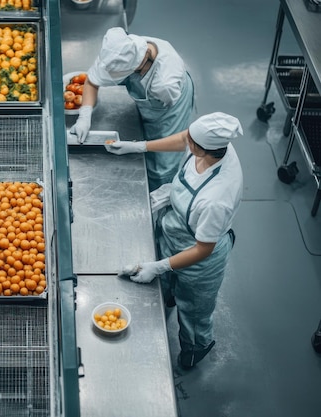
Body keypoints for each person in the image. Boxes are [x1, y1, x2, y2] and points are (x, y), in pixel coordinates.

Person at [109, 112, 243, 369]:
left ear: (203, 150)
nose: (187, 142)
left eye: (192, 142)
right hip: (175, 228)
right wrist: (138, 147)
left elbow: (203, 249)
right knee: (170, 284)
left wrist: (158, 266)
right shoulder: (215, 146)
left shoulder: (217, 198)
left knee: (193, 310)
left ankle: (196, 347)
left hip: (199, 257)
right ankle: (170, 291)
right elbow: (184, 139)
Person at [70, 27, 194, 191]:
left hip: (168, 110)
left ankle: (158, 197)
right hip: (149, 91)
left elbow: (181, 141)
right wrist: (84, 117)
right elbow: (92, 81)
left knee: (161, 167)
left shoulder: (164, 84)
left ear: (138, 67)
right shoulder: (124, 46)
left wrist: (140, 147)